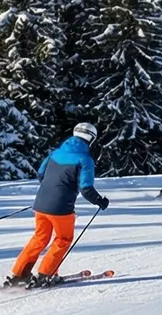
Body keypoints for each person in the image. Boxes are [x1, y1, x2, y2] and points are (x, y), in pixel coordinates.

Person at [6, 122, 109, 289]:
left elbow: (41, 174)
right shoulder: (85, 159)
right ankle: (45, 274)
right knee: (63, 239)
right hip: (61, 208)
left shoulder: (55, 153)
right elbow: (86, 188)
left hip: (40, 204)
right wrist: (100, 201)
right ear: (91, 139)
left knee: (39, 238)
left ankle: (18, 274)